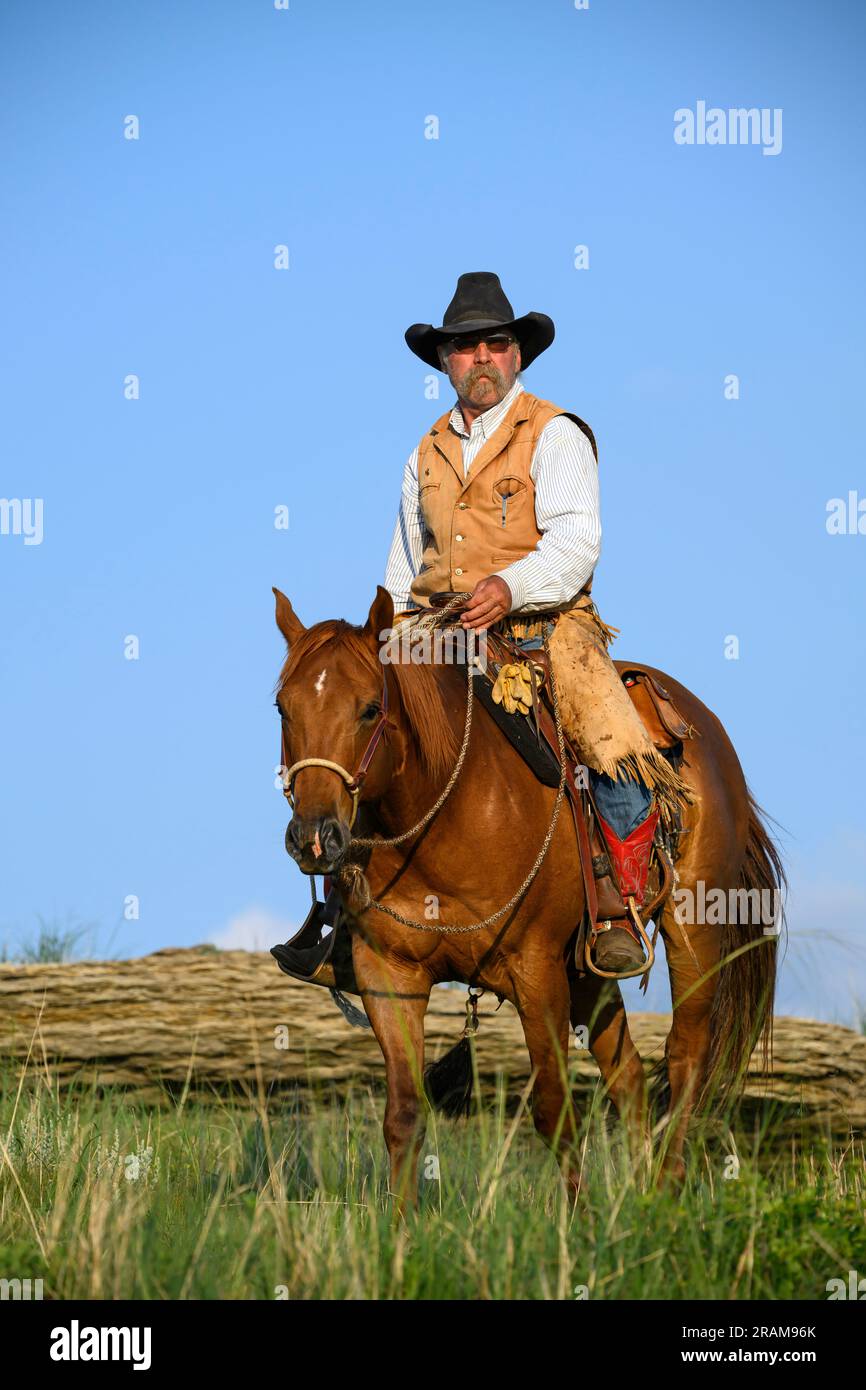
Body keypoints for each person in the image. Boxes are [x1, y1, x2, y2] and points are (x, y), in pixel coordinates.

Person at [384, 271, 689, 973]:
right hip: (438, 636)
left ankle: (618, 908)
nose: (481, 357)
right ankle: (349, 914)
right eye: (464, 347)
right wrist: (391, 640)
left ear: (517, 354)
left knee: (609, 742)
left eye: (495, 343)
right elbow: (405, 564)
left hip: (546, 631)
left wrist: (508, 587)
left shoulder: (555, 433)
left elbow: (577, 541)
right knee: (364, 733)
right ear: (443, 362)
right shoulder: (421, 454)